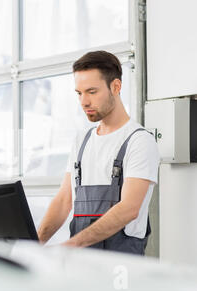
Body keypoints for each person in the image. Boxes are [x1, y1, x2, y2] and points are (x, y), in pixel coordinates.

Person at [37, 50, 160, 255]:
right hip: (81, 262)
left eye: (92, 92)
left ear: (116, 87)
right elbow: (63, 201)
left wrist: (70, 247)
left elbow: (129, 209)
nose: (84, 102)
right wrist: (34, 244)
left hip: (120, 267)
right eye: (79, 93)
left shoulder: (139, 141)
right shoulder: (82, 141)